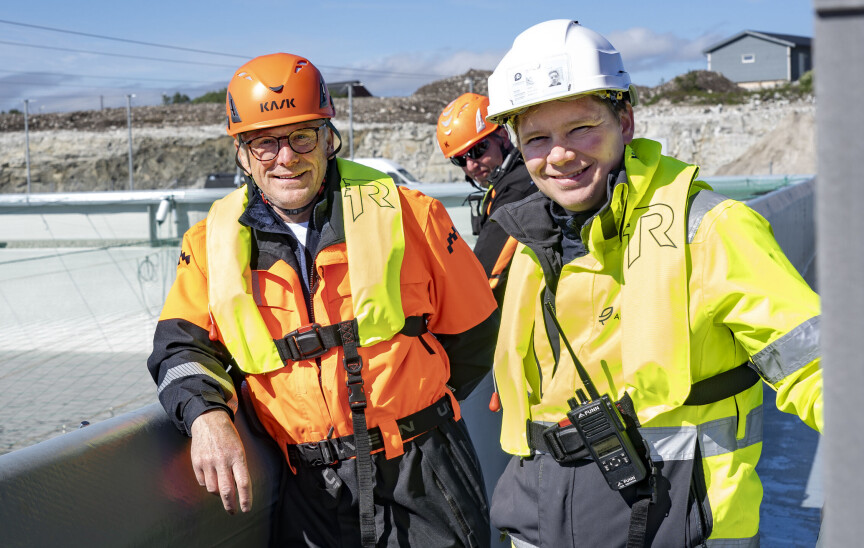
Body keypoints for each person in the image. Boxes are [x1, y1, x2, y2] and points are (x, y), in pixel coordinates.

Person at [484, 20, 822, 548]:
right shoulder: (531, 242)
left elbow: (817, 366)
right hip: (542, 520)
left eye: (581, 129)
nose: (560, 155)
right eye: (537, 139)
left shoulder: (707, 229)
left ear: (626, 121)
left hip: (680, 524)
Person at [147, 52, 499, 548]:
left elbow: (475, 332)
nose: (285, 157)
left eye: (301, 136)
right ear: (242, 154)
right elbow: (179, 348)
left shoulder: (410, 213)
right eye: (264, 143)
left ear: (327, 138)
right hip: (312, 489)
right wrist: (206, 415)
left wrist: (414, 411)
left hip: (425, 473)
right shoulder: (208, 245)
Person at [436, 92, 537, 303]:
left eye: (478, 150)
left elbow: (483, 277)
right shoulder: (509, 180)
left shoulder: (517, 190)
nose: (471, 165)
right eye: (459, 160)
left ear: (502, 134)